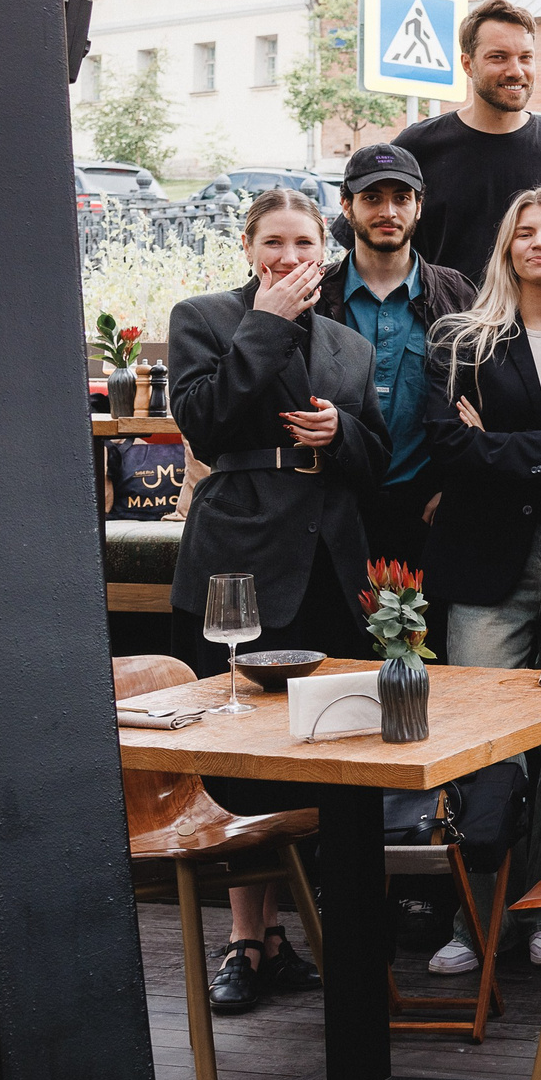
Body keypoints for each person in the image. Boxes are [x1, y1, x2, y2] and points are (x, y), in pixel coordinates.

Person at [167, 188, 388, 1015]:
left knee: (327, 748)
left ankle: (287, 937)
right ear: (249, 246)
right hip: (241, 562)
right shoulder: (206, 316)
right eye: (273, 243)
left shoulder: (345, 344)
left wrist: (345, 437)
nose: (289, 257)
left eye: (303, 243)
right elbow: (205, 425)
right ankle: (242, 939)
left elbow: (378, 459)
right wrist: (262, 321)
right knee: (243, 756)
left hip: (329, 566)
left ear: (324, 252)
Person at [419, 186, 541, 974]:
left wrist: (500, 443)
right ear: (505, 247)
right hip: (486, 562)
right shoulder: (459, 338)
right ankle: (473, 917)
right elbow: (445, 449)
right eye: (523, 231)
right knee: (477, 743)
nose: (539, 242)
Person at [389, 0, 541, 290]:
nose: (516, 70)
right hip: (440, 332)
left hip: (538, 335)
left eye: (525, 57)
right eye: (499, 57)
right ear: (468, 64)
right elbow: (368, 241)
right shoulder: (418, 146)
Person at [314, 142, 473, 568]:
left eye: (401, 198)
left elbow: (483, 398)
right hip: (331, 509)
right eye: (372, 198)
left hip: (426, 511)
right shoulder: (314, 296)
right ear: (346, 206)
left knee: (421, 636)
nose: (388, 212)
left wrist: (455, 487)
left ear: (419, 206)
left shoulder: (456, 294)